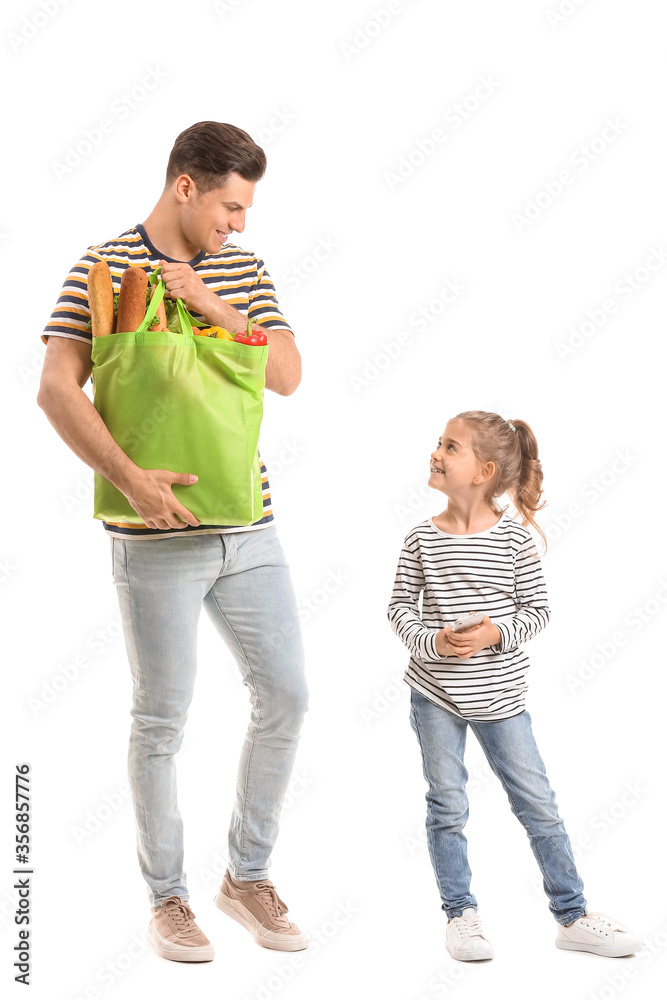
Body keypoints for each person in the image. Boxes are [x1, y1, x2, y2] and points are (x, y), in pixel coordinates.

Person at [37, 121, 309, 963]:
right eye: (229, 206)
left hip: (251, 525)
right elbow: (55, 389)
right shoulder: (101, 267)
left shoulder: (245, 270)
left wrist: (213, 305)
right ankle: (168, 899)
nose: (239, 224)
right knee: (161, 720)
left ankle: (246, 877)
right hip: (153, 537)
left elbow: (289, 375)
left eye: (247, 209)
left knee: (288, 697)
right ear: (185, 185)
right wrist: (130, 478)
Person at [387, 410, 642, 961]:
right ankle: (461, 914)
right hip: (434, 695)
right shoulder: (419, 539)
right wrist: (433, 643)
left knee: (538, 806)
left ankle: (571, 915)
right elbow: (399, 609)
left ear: (482, 470)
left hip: (501, 697)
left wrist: (496, 633)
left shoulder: (513, 541)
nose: (435, 452)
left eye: (449, 447)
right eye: (438, 442)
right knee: (446, 806)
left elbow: (537, 611)